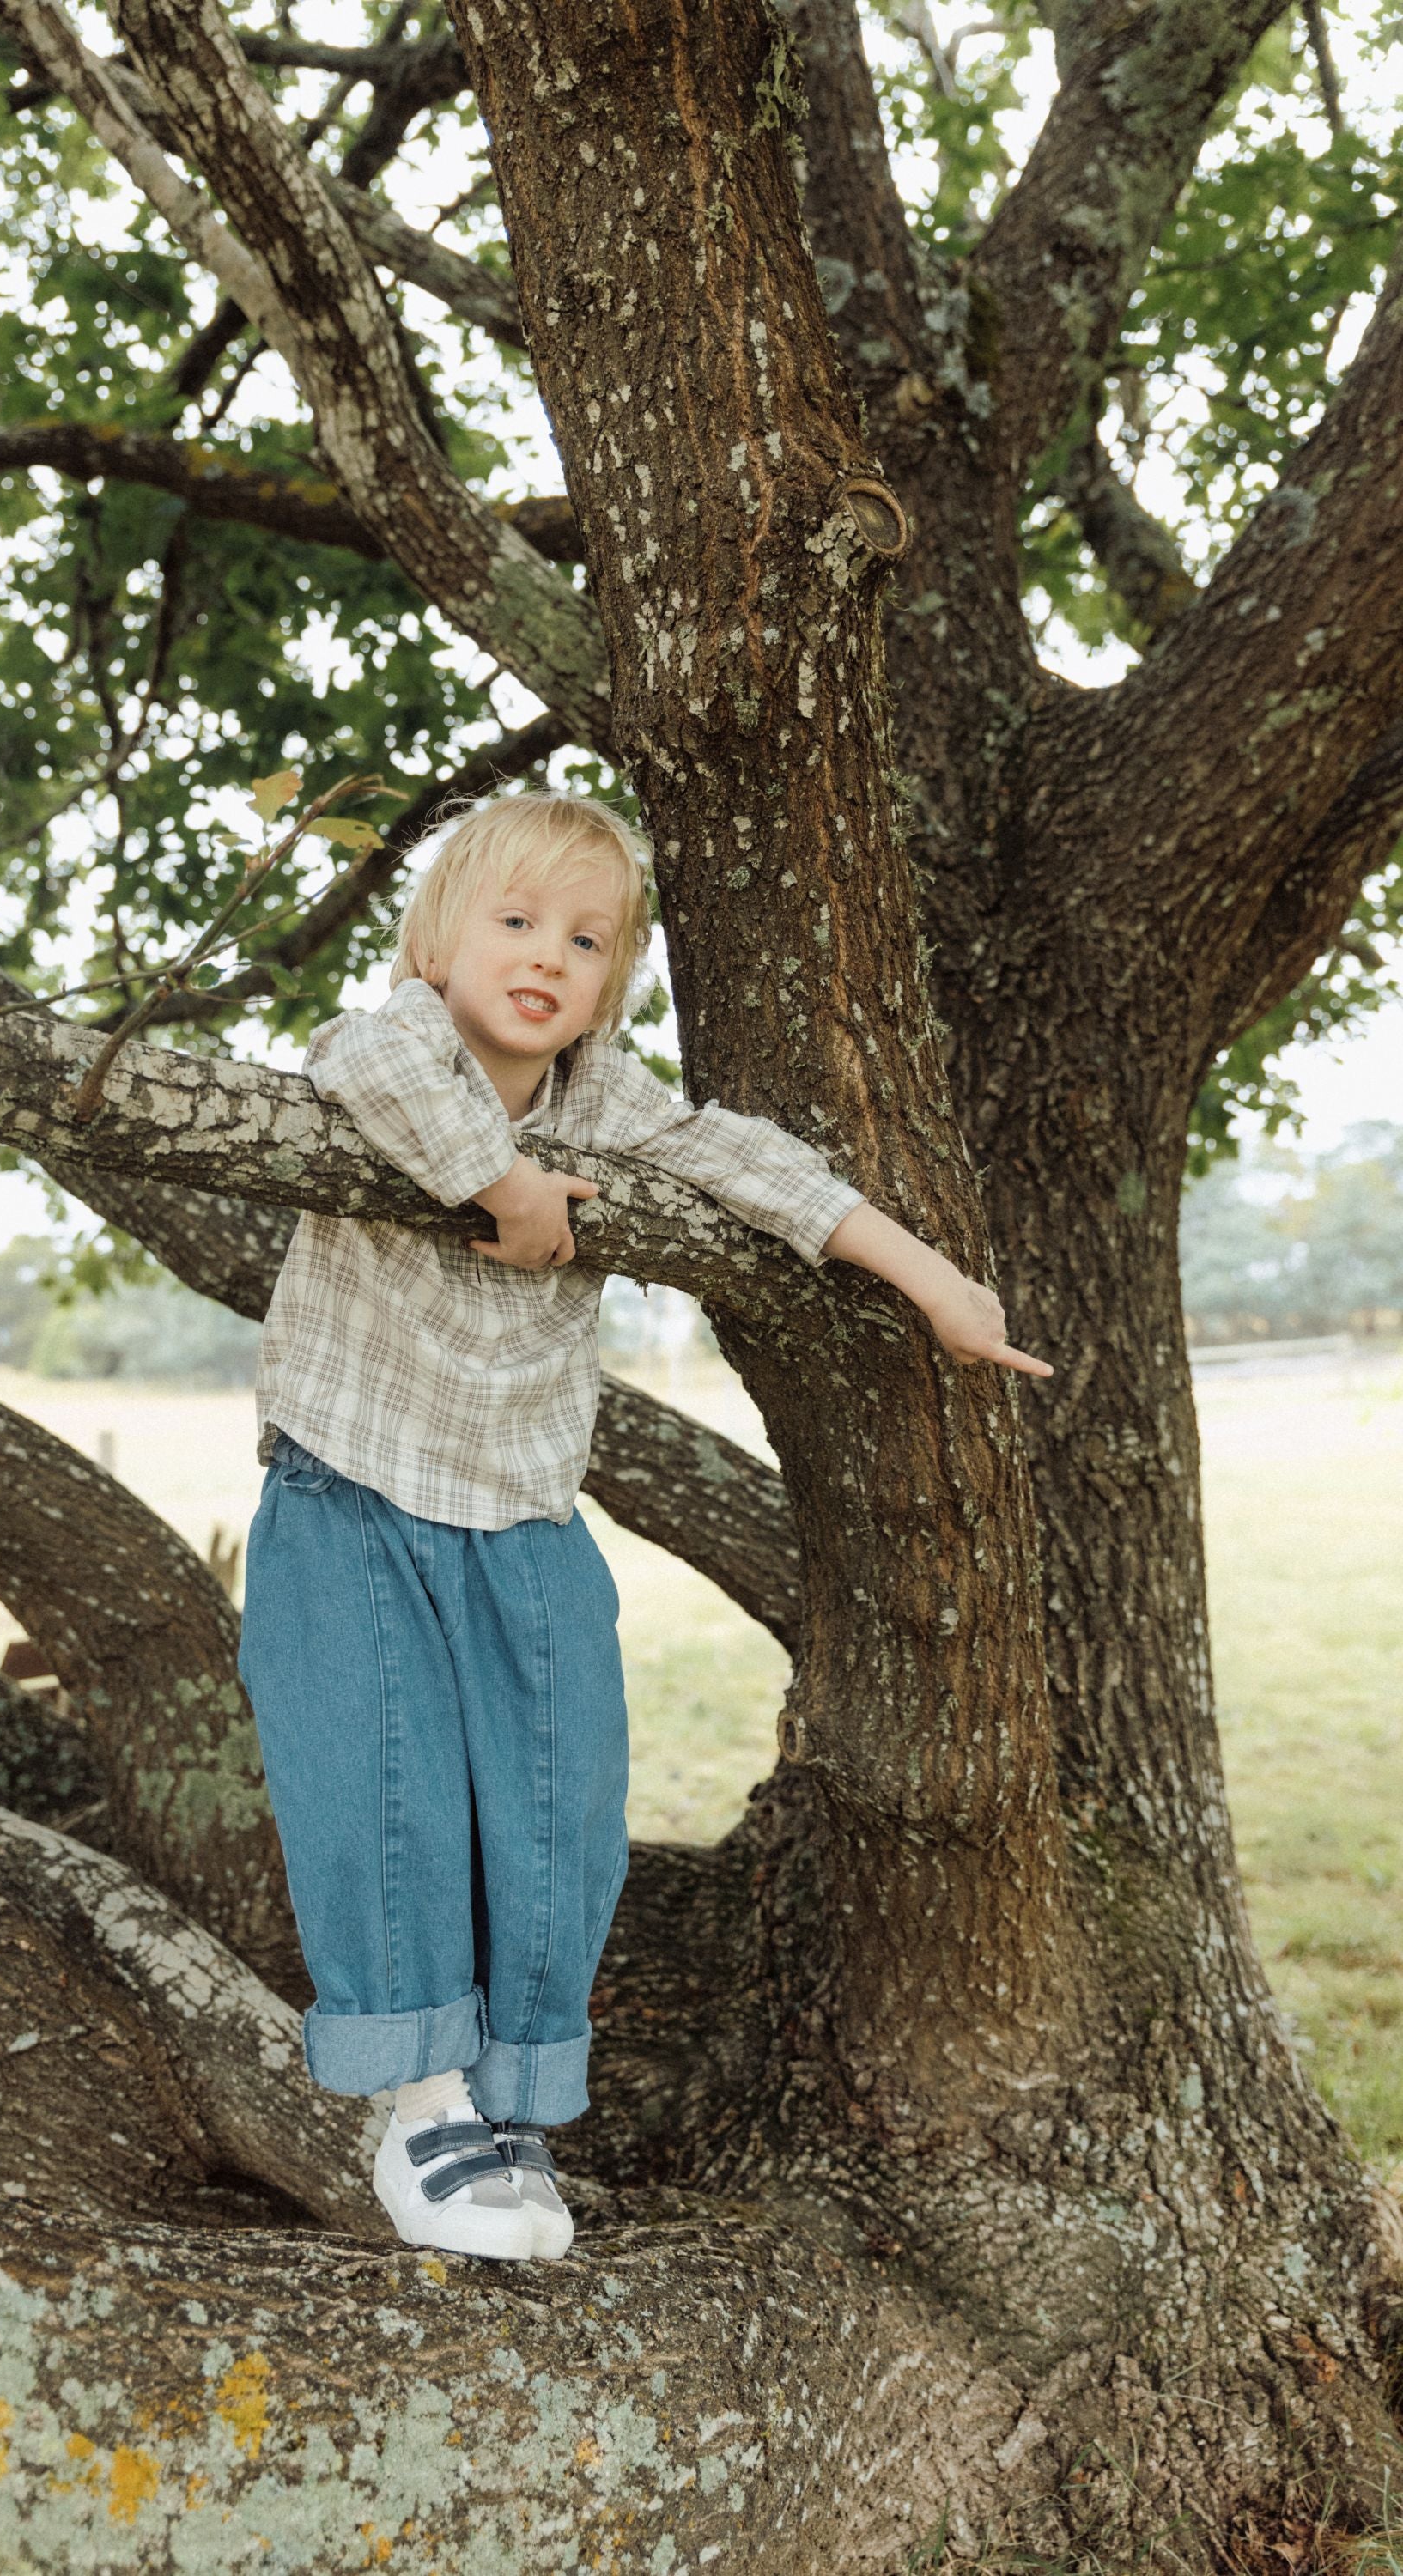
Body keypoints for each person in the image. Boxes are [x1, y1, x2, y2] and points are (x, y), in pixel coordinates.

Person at [239, 788, 1051, 2263]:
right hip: (349, 1487)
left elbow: (741, 1159)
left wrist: (931, 1278)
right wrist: (502, 1186)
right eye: (514, 921)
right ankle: (419, 2105)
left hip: (520, 1509)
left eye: (589, 938)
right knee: (384, 1794)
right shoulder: (396, 1044)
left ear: (613, 981)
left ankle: (515, 2104)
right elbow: (365, 1063)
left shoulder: (598, 1098)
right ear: (436, 940)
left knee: (561, 1803)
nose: (548, 956)